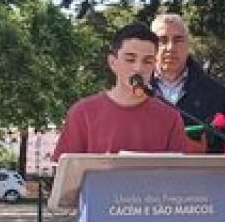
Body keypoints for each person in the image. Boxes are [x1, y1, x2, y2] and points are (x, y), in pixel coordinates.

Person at [52, 23, 190, 159]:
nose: (138, 68)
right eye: (130, 59)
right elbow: (65, 173)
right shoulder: (82, 113)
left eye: (147, 61)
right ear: (113, 63)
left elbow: (179, 176)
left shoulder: (170, 117)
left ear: (154, 65)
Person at [149, 13, 225, 153]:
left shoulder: (216, 93)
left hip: (200, 173)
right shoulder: (134, 90)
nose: (170, 47)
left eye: (178, 40)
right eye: (163, 40)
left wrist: (202, 151)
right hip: (145, 173)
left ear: (188, 44)